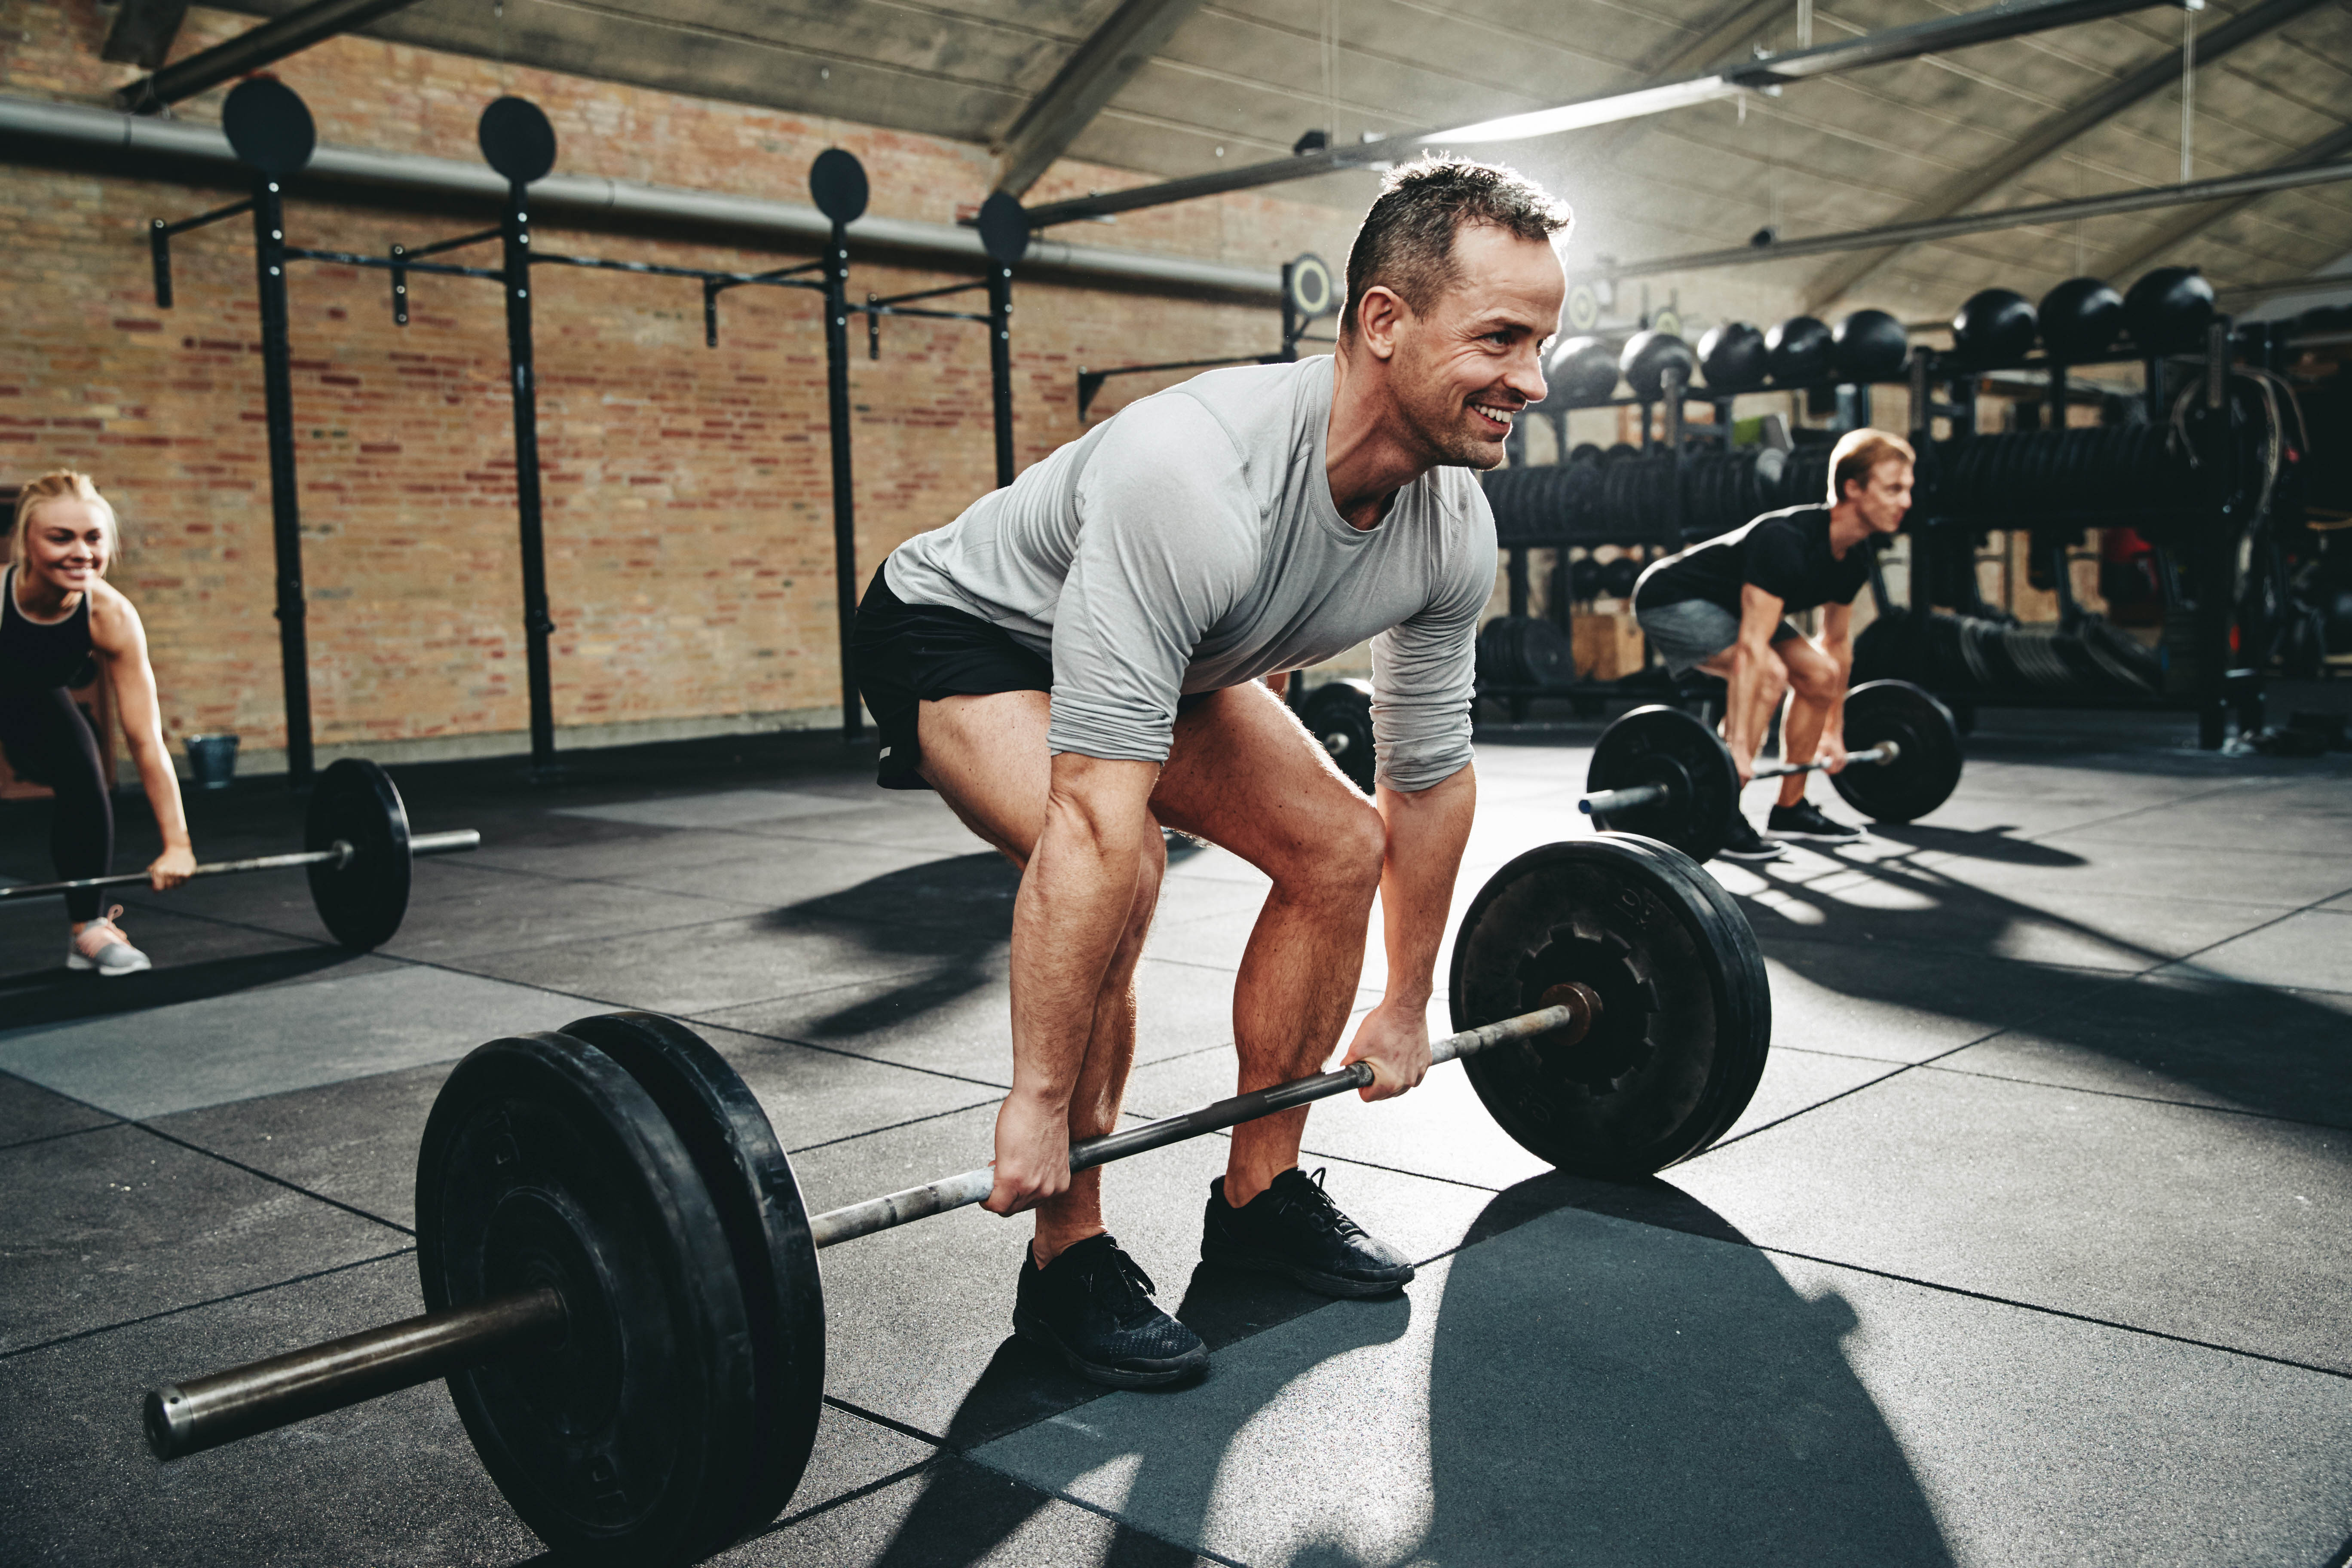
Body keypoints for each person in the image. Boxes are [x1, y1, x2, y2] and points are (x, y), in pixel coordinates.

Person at [851, 157, 1568, 1387]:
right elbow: (1088, 819)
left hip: (1171, 652)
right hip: (964, 634)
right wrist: (1033, 1100)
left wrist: (1405, 1001)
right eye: (1501, 338)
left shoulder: (1454, 523)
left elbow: (1428, 781)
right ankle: (1065, 1255)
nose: (1533, 381)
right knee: (1120, 865)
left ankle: (1259, 1197)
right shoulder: (1195, 473)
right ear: (1382, 323)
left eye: (1545, 342)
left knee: (1340, 850)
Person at [1630, 429, 1916, 861]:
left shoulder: (1855, 557)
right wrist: (1741, 751)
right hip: (1671, 597)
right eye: (1894, 489)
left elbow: (1836, 645)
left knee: (1820, 675)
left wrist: (1834, 735)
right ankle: (1723, 812)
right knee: (1768, 675)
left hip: (1731, 607)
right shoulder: (1786, 540)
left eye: (1908, 489)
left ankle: (1791, 808)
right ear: (1853, 489)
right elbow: (1751, 650)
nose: (1906, 502)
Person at [2, 471, 195, 974]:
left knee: (84, 771)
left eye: (93, 538)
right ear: (24, 541)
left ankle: (87, 930)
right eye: (60, 537)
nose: (80, 552)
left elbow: (145, 738)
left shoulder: (110, 615)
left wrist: (178, 844)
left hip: (36, 701)